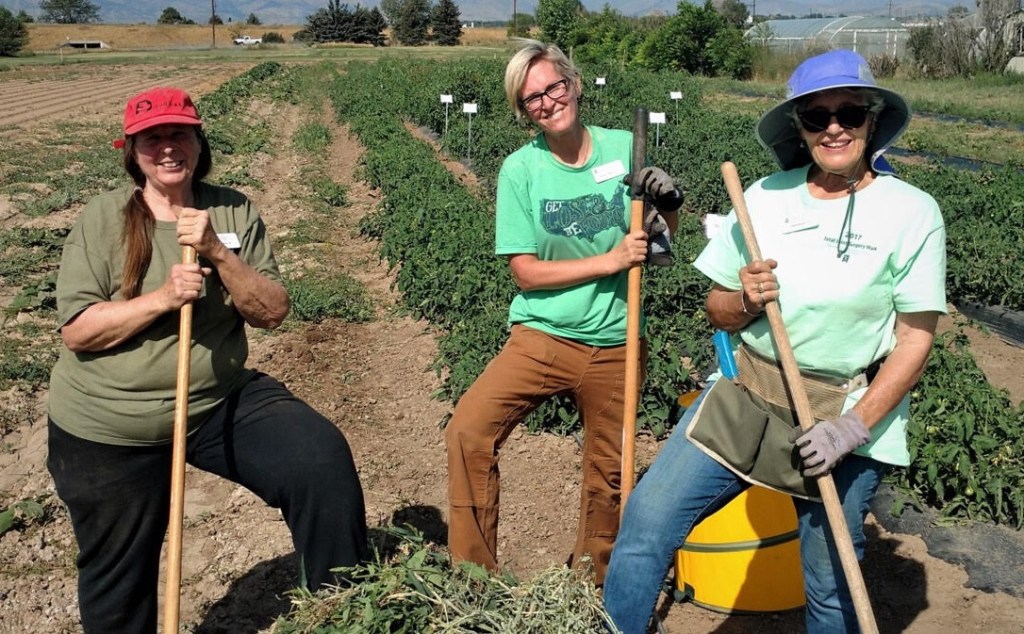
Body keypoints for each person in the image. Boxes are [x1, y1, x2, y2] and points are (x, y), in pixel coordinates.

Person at [604, 49, 947, 633]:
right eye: (817, 117)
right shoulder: (762, 196)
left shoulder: (913, 212)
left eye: (849, 112)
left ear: (872, 120)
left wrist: (854, 426)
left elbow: (914, 340)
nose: (834, 126)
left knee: (830, 582)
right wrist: (743, 299)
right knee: (645, 525)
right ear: (800, 130)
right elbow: (716, 309)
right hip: (747, 394)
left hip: (837, 413)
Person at [46, 87, 368, 633]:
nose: (168, 148)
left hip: (215, 399)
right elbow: (79, 333)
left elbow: (271, 312)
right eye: (153, 139)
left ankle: (345, 610)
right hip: (110, 421)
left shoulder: (232, 209)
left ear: (199, 142)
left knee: (319, 461)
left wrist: (220, 254)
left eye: (180, 135)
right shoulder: (101, 219)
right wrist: (163, 299)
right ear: (132, 150)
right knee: (117, 578)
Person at [444, 39, 683, 586]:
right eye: (533, 99)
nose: (548, 101)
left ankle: (593, 585)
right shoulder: (520, 170)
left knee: (608, 472)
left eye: (555, 87)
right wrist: (609, 259)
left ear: (575, 84)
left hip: (617, 343)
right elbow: (525, 271)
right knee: (468, 431)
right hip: (542, 336)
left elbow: (662, 249)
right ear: (522, 111)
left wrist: (668, 206)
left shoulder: (627, 148)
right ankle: (476, 579)